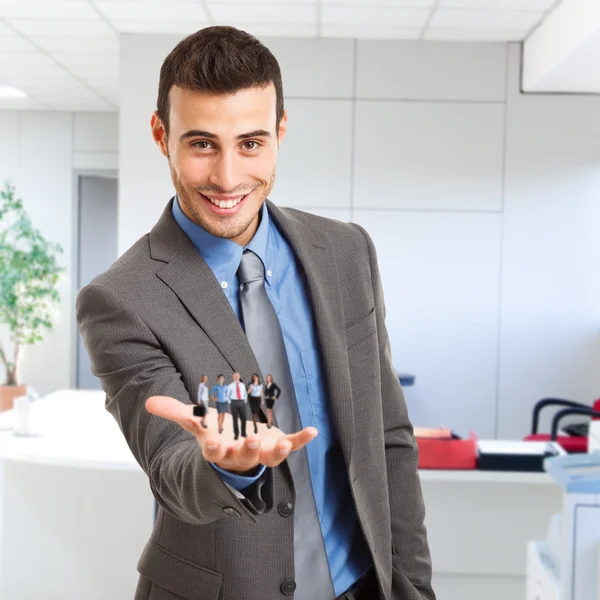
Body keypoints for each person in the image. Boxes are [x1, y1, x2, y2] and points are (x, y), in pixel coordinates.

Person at [76, 25, 434, 600]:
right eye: (201, 144)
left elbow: (387, 436)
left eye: (250, 143)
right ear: (160, 135)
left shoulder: (346, 253)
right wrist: (228, 464)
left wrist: (412, 585)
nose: (227, 178)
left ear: (279, 133)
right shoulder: (121, 299)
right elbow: (171, 467)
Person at [227, 371, 248, 440]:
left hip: (241, 402)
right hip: (234, 402)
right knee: (235, 419)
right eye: (235, 376)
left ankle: (243, 433)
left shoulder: (242, 385)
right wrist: (230, 402)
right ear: (233, 377)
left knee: (243, 418)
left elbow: (245, 393)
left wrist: (244, 401)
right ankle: (236, 434)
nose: (236, 377)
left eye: (237, 376)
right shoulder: (231, 386)